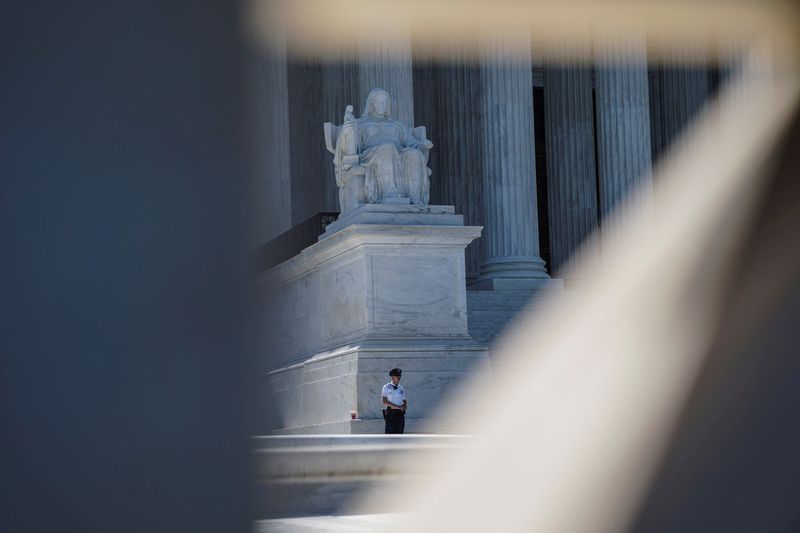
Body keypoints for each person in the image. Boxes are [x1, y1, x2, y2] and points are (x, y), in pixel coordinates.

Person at [381, 368, 407, 434]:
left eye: (399, 376)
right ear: (392, 377)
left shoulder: (401, 388)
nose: (399, 377)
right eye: (397, 376)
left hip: (400, 414)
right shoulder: (387, 387)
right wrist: (397, 407)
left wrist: (404, 405)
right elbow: (384, 401)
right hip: (391, 414)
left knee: (400, 433)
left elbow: (404, 400)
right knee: (390, 435)